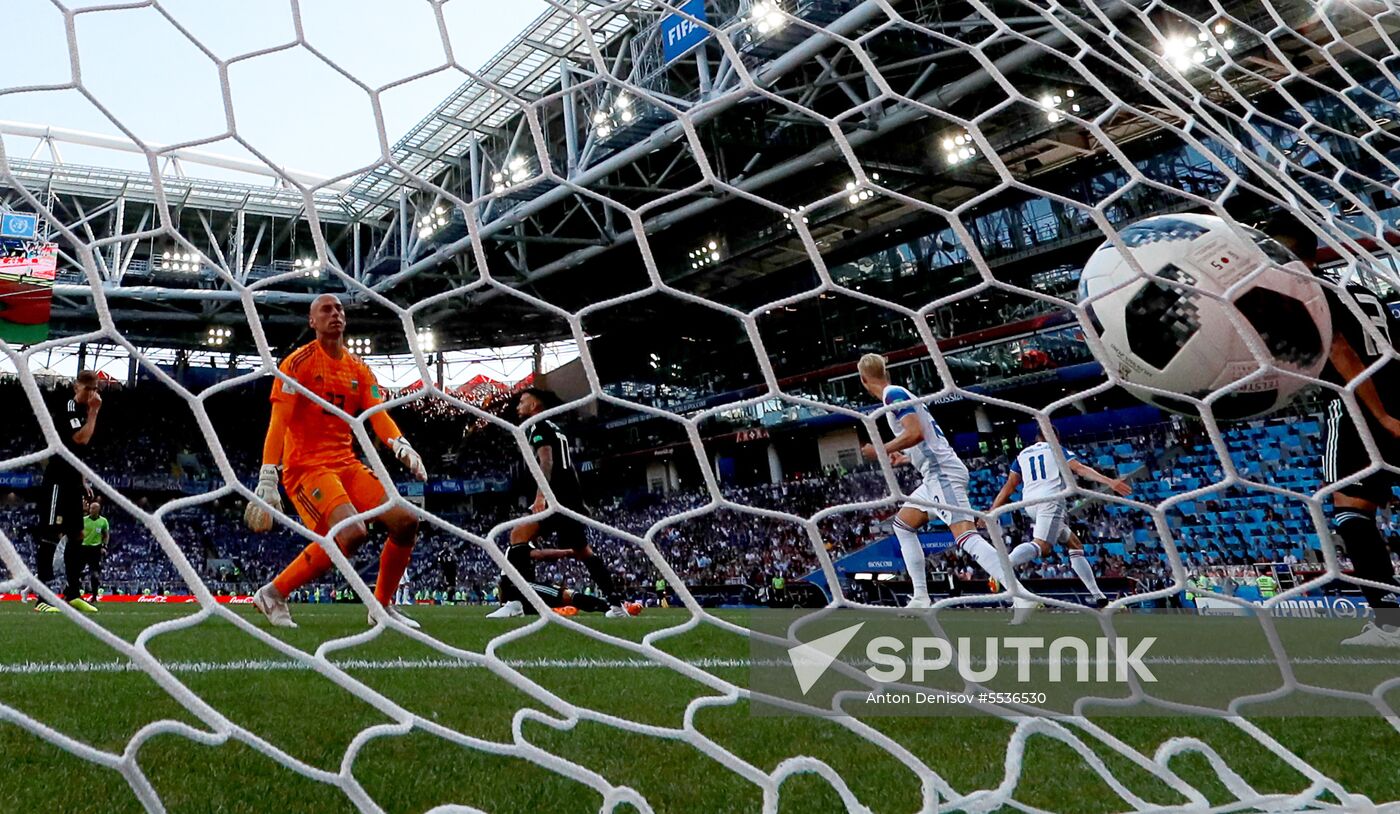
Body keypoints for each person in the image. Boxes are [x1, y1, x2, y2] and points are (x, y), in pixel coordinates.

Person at [243, 294, 428, 630]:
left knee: (406, 521)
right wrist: (268, 475)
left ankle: (381, 607)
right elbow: (278, 422)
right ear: (312, 321)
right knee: (351, 532)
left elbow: (377, 415)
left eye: (340, 309)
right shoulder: (296, 364)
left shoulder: (358, 368)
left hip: (347, 464)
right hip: (307, 468)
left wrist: (400, 444)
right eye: (326, 310)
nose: (335, 314)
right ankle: (274, 593)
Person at [1262, 213, 1400, 647]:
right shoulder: (1358, 290)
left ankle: (1388, 627)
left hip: (1359, 404)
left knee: (1350, 511)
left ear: (1283, 253)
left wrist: (1380, 416)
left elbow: (1340, 348)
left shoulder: (1308, 293)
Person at [857, 353, 1033, 617]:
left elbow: (915, 432)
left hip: (943, 474)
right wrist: (904, 456)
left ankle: (1020, 594)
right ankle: (920, 596)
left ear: (863, 379)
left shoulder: (893, 395)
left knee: (966, 537)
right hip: (934, 476)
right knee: (903, 525)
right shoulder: (896, 393)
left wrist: (880, 449)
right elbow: (923, 438)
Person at [494, 387, 635, 618]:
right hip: (571, 498)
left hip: (555, 497)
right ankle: (616, 606)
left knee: (517, 536)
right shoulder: (555, 428)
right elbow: (569, 466)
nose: (518, 405)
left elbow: (546, 461)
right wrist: (580, 502)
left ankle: (515, 602)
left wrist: (541, 495)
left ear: (535, 405)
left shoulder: (536, 425)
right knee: (583, 550)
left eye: (522, 401)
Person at [987, 428, 1133, 608]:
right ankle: (1001, 567)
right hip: (1051, 501)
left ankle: (1100, 598)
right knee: (1043, 547)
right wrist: (1110, 481)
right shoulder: (1056, 449)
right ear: (1054, 437)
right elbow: (1079, 469)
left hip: (1029, 504)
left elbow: (1009, 487)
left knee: (1074, 544)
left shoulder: (1022, 455)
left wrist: (992, 510)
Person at [32, 370, 102, 614]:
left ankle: (72, 593)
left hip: (73, 480)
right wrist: (94, 413)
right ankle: (41, 596)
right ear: (76, 387)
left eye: (95, 389)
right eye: (87, 389)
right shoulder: (70, 407)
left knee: (78, 535)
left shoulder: (81, 410)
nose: (92, 394)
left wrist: (82, 479)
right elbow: (80, 439)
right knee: (51, 534)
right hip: (57, 480)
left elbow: (78, 453)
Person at [486, 540, 616, 617]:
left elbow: (502, 581)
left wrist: (503, 603)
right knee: (566, 595)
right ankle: (609, 608)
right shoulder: (519, 545)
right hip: (521, 589)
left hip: (519, 591)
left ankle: (514, 608)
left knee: (561, 599)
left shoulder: (513, 549)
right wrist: (569, 552)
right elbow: (540, 555)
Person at [70, 498, 110, 601]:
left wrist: (104, 546)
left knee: (94, 574)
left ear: (98, 510)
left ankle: (95, 595)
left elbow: (105, 535)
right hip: (83, 548)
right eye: (90, 508)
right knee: (77, 572)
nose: (91, 510)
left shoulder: (103, 521)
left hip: (95, 549)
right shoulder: (83, 520)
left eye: (93, 508)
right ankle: (76, 593)